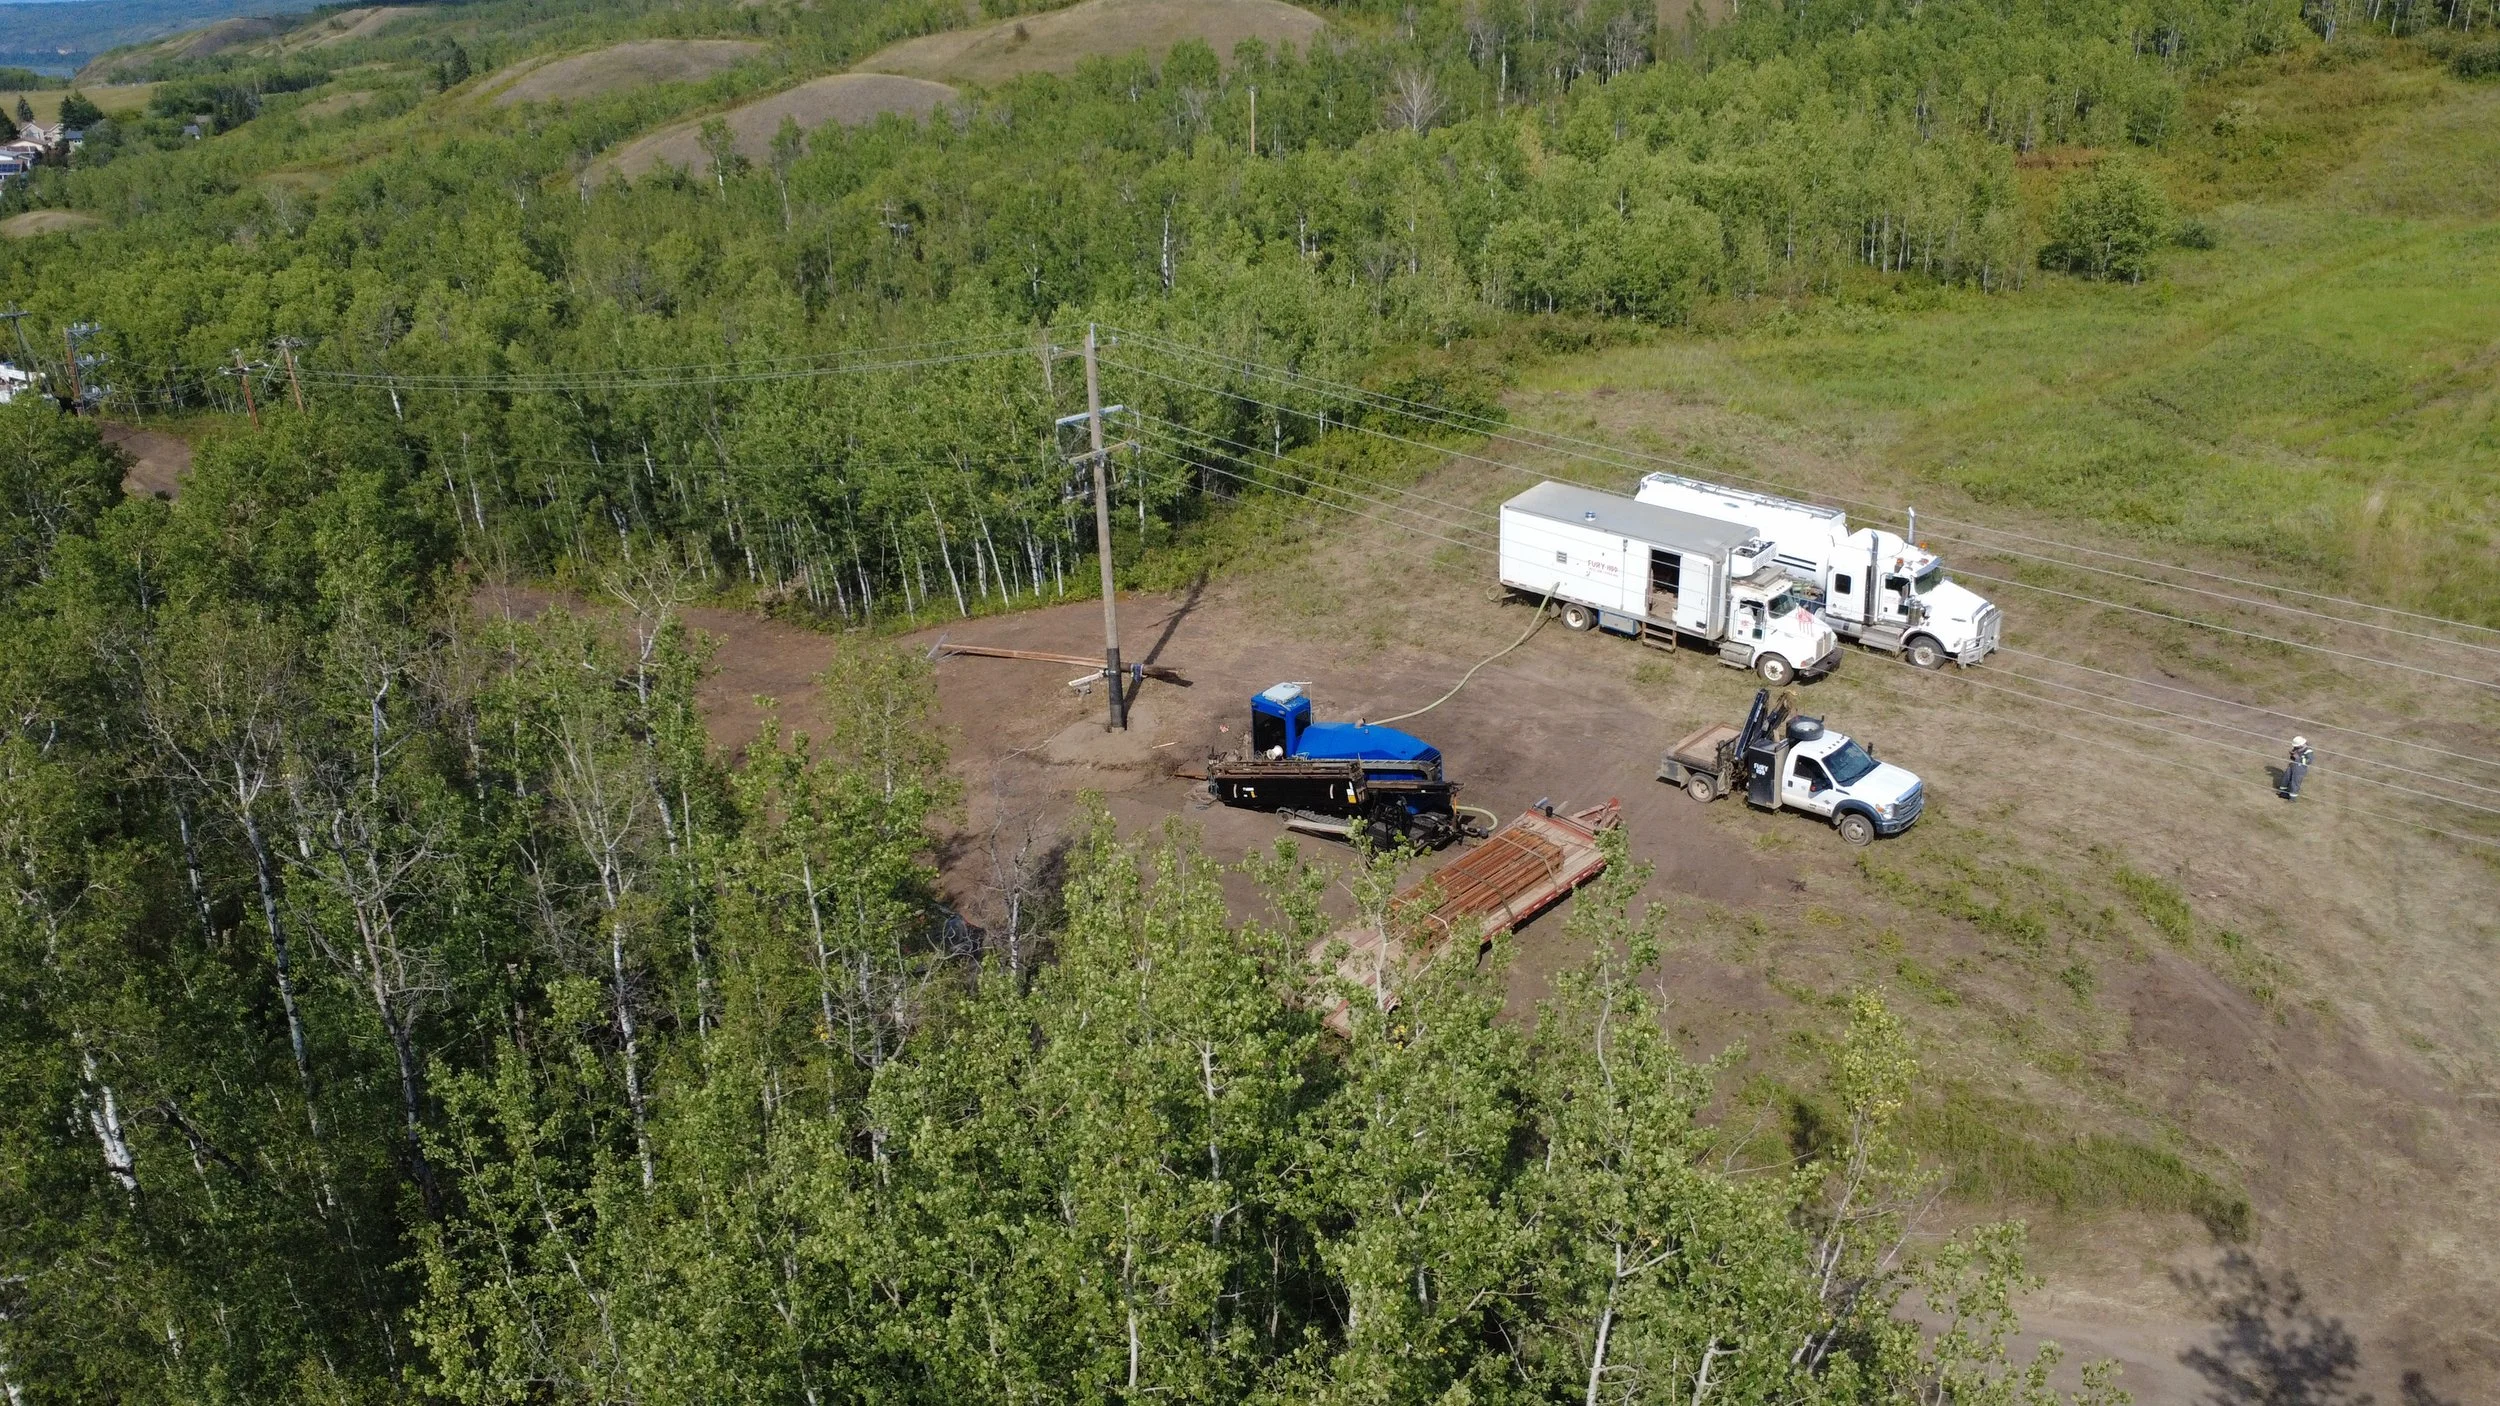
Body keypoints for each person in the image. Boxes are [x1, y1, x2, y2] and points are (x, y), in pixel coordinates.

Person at [2281, 735, 2312, 800]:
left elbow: (2309, 761)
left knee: (2295, 782)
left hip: (2300, 768)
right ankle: (2283, 793)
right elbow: (2293, 757)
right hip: (2292, 765)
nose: (2295, 747)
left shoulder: (2308, 751)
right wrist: (2292, 755)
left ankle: (2292, 797)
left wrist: (2298, 758)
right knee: (2286, 778)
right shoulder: (2297, 748)